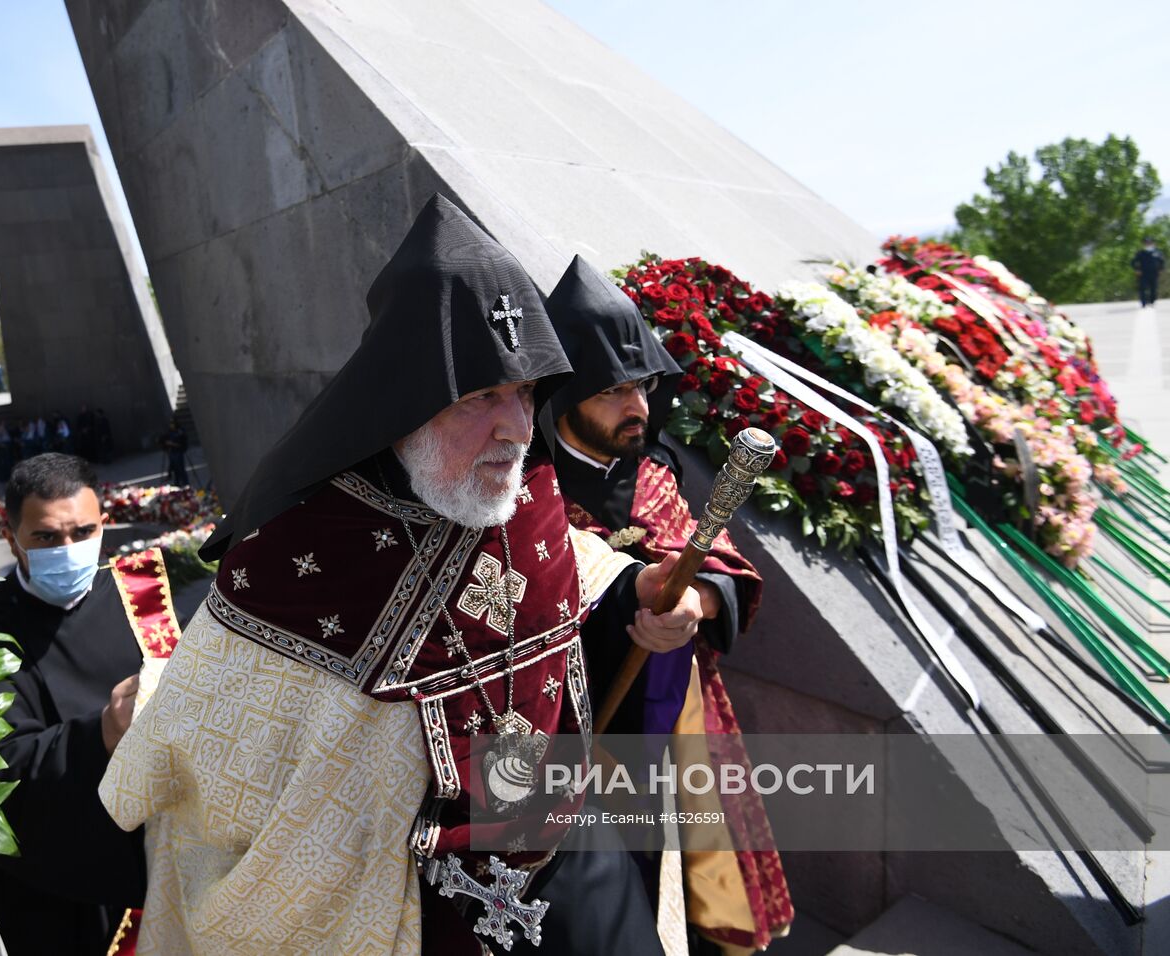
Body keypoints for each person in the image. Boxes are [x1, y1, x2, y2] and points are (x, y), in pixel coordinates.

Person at [99, 195, 709, 955]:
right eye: (481, 395)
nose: (516, 430)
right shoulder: (295, 552)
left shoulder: (528, 490)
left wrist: (633, 594)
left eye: (525, 394)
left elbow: (568, 569)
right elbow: (218, 760)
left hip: (572, 857)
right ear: (405, 401)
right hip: (396, 899)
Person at [544, 255, 792, 953]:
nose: (639, 408)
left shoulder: (653, 472)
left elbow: (718, 564)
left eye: (644, 386)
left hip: (676, 715)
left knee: (697, 869)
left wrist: (698, 607)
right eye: (614, 391)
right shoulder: (525, 489)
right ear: (565, 398)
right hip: (573, 726)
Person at [0, 454, 175, 953]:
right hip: (53, 890)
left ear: (103, 525)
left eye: (83, 532)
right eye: (46, 537)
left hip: (162, 860)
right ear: (10, 536)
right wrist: (102, 732)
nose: (69, 549)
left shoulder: (139, 592)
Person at [1133, 236, 1164, 307]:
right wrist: (1137, 269)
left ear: (1153, 243)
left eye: (1149, 243)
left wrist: (1160, 269)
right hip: (1143, 273)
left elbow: (1162, 262)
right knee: (1143, 288)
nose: (1148, 244)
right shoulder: (1140, 253)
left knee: (1153, 288)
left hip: (1154, 273)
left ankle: (1152, 301)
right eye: (1146, 243)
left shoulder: (1157, 252)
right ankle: (1143, 302)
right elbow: (1134, 262)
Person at [159, 417, 189, 486]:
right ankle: (177, 483)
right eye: (170, 424)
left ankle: (185, 483)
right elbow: (163, 438)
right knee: (175, 469)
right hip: (171, 452)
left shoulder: (180, 432)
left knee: (181, 469)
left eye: (172, 424)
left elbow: (182, 442)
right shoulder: (170, 431)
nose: (171, 425)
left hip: (178, 452)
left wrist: (172, 444)